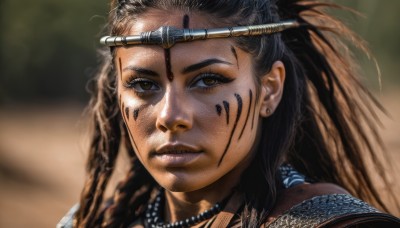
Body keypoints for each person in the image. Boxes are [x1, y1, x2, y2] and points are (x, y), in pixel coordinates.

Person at [58, 0, 400, 227]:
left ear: (270, 88)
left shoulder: (330, 223)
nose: (170, 116)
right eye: (144, 85)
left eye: (208, 80)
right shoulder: (91, 222)